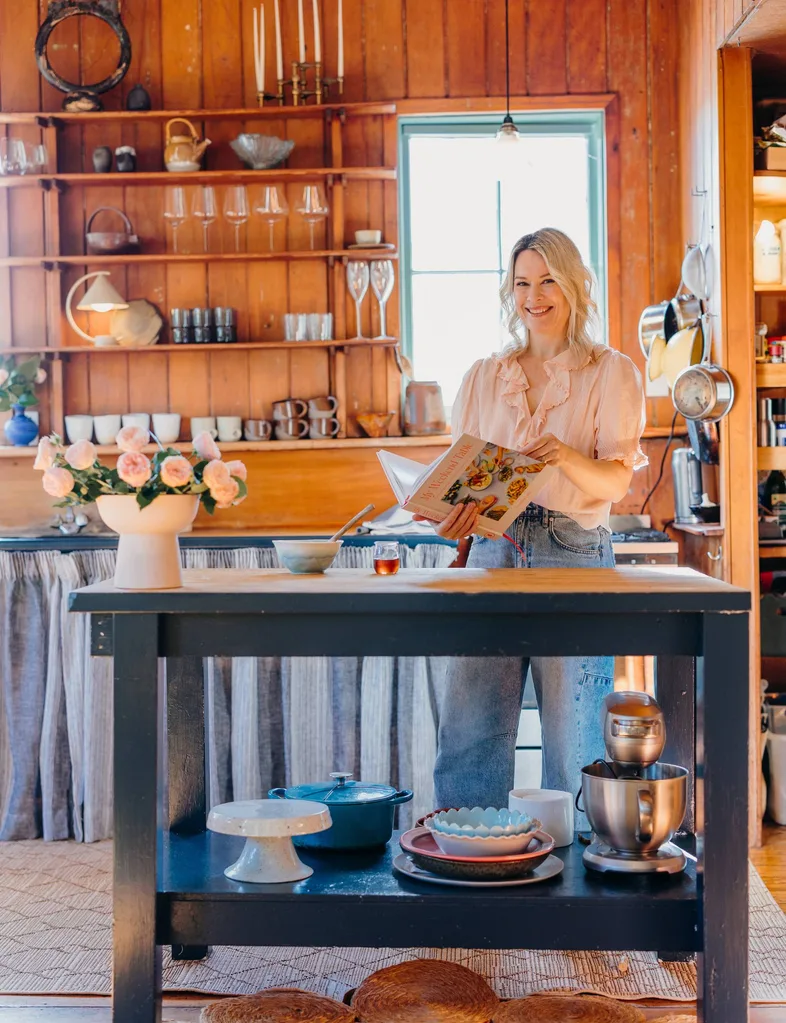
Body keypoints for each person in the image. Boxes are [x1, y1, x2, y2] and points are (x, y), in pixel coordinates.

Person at [416, 228, 647, 822]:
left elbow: (617, 483)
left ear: (574, 285)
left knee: (573, 738)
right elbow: (465, 477)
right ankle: (467, 855)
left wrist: (565, 457)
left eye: (548, 281)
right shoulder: (484, 376)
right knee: (470, 730)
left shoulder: (610, 371)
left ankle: (572, 883)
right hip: (492, 553)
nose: (534, 296)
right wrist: (454, 519)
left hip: (574, 552)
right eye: (522, 282)